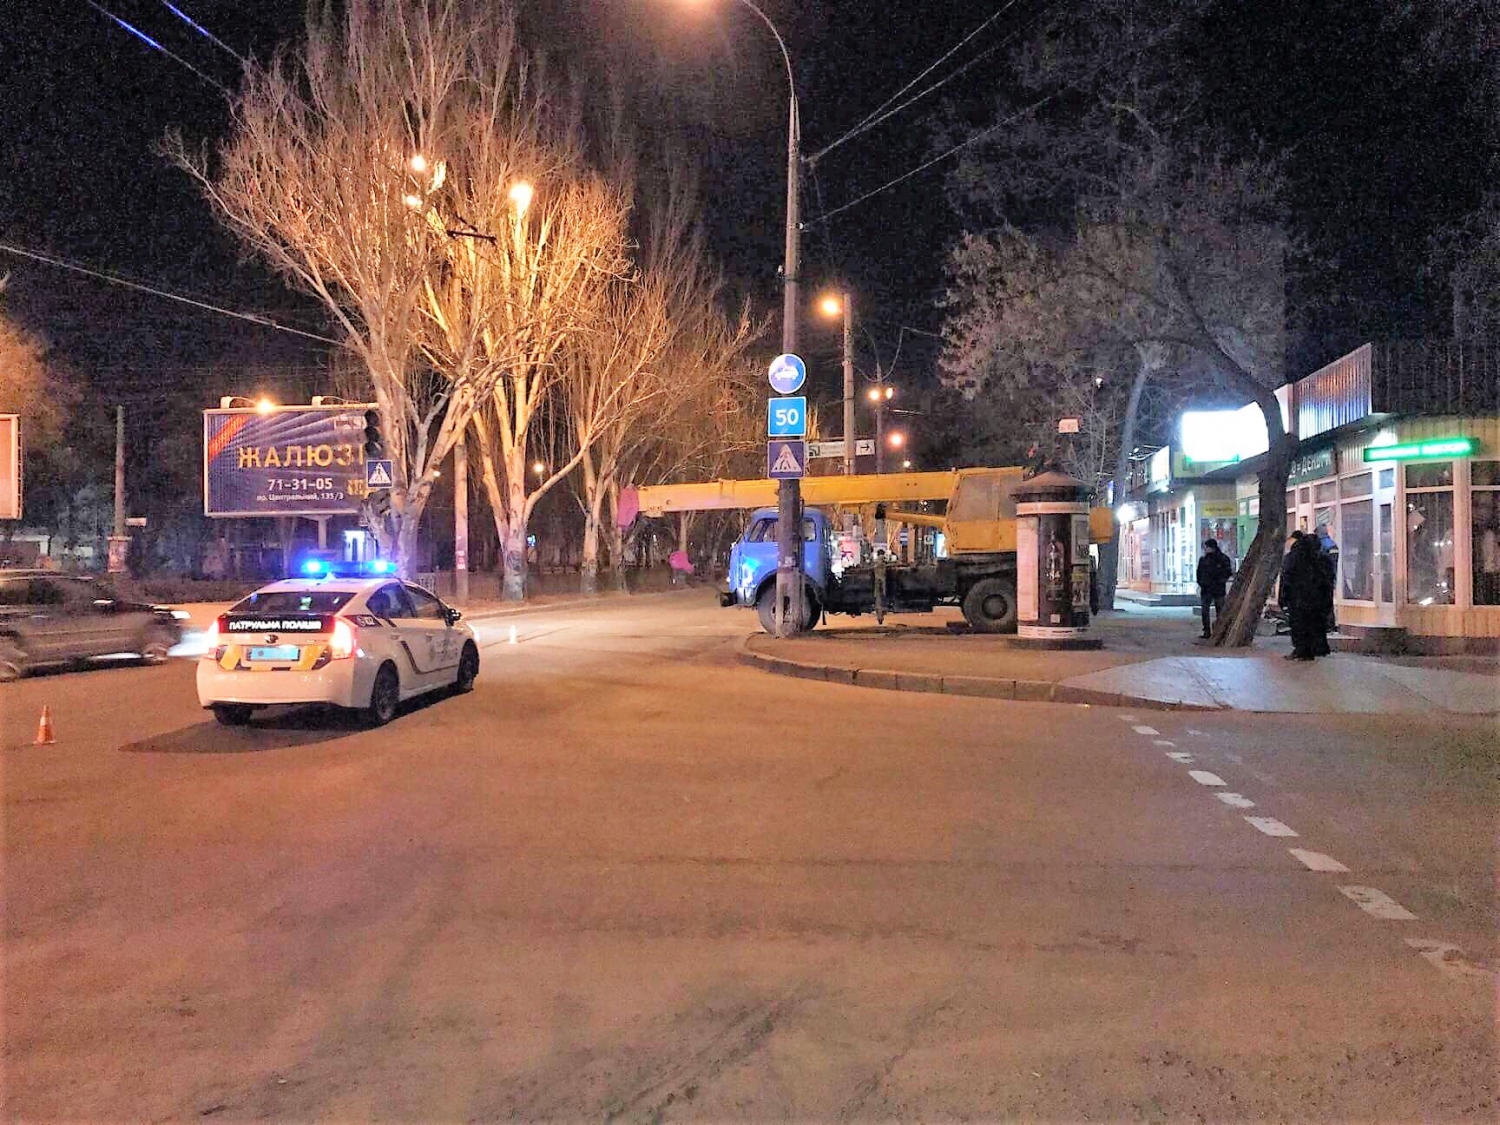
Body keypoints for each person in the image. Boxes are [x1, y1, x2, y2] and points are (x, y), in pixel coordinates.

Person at [1279, 531, 1334, 660]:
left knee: (1299, 626)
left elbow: (1286, 579)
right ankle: (1316, 649)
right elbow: (1329, 581)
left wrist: (1283, 598)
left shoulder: (1293, 558)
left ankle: (1302, 651)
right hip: (1317, 600)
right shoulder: (1323, 559)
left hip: (1298, 600)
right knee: (1316, 625)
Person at [1195, 538, 1233, 639]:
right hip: (1206, 589)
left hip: (1218, 589)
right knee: (1205, 611)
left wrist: (1220, 580)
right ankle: (1207, 631)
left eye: (1206, 547)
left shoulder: (1223, 559)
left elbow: (1228, 572)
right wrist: (1201, 583)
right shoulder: (1203, 560)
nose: (1205, 549)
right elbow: (1199, 573)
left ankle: (1219, 631)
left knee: (1220, 611)